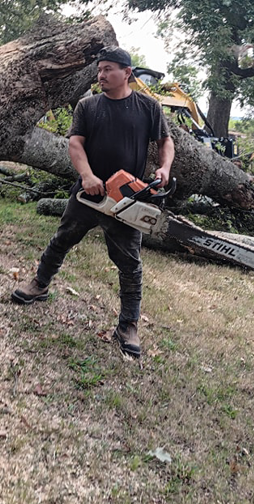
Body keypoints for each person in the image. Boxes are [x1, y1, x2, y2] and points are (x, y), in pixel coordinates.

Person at [11, 46, 175, 359]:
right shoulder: (88, 106)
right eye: (100, 70)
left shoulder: (148, 107)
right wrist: (86, 175)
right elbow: (75, 144)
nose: (102, 75)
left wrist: (164, 167)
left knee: (129, 263)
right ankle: (40, 284)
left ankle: (128, 324)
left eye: (109, 69)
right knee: (62, 240)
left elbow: (165, 141)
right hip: (89, 194)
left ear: (127, 73)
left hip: (128, 197)